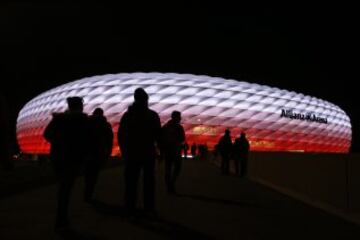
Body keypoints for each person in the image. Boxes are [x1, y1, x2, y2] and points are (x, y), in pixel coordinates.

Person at [43, 96, 90, 230]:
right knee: (66, 187)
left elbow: (46, 134)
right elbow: (88, 139)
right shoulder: (83, 120)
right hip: (74, 157)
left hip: (58, 156)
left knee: (63, 186)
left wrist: (57, 142)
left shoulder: (59, 119)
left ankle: (61, 217)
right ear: (80, 106)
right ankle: (61, 218)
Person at [117, 88, 161, 217]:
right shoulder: (152, 115)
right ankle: (149, 208)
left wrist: (124, 150)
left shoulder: (128, 115)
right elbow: (158, 134)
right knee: (149, 182)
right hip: (148, 152)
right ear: (146, 100)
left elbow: (121, 134)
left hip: (132, 152)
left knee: (131, 181)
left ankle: (130, 207)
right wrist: (160, 150)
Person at [84, 108, 113, 203]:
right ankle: (89, 193)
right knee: (93, 174)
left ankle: (86, 192)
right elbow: (109, 140)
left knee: (87, 173)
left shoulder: (87, 123)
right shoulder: (105, 125)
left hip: (86, 152)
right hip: (98, 152)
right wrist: (108, 153)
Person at [160, 111, 185, 194]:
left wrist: (161, 152)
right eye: (179, 117)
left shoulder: (165, 126)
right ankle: (171, 184)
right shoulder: (179, 127)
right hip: (175, 151)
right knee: (177, 167)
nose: (180, 118)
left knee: (168, 169)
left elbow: (161, 139)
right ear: (176, 117)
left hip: (167, 151)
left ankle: (169, 185)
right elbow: (182, 139)